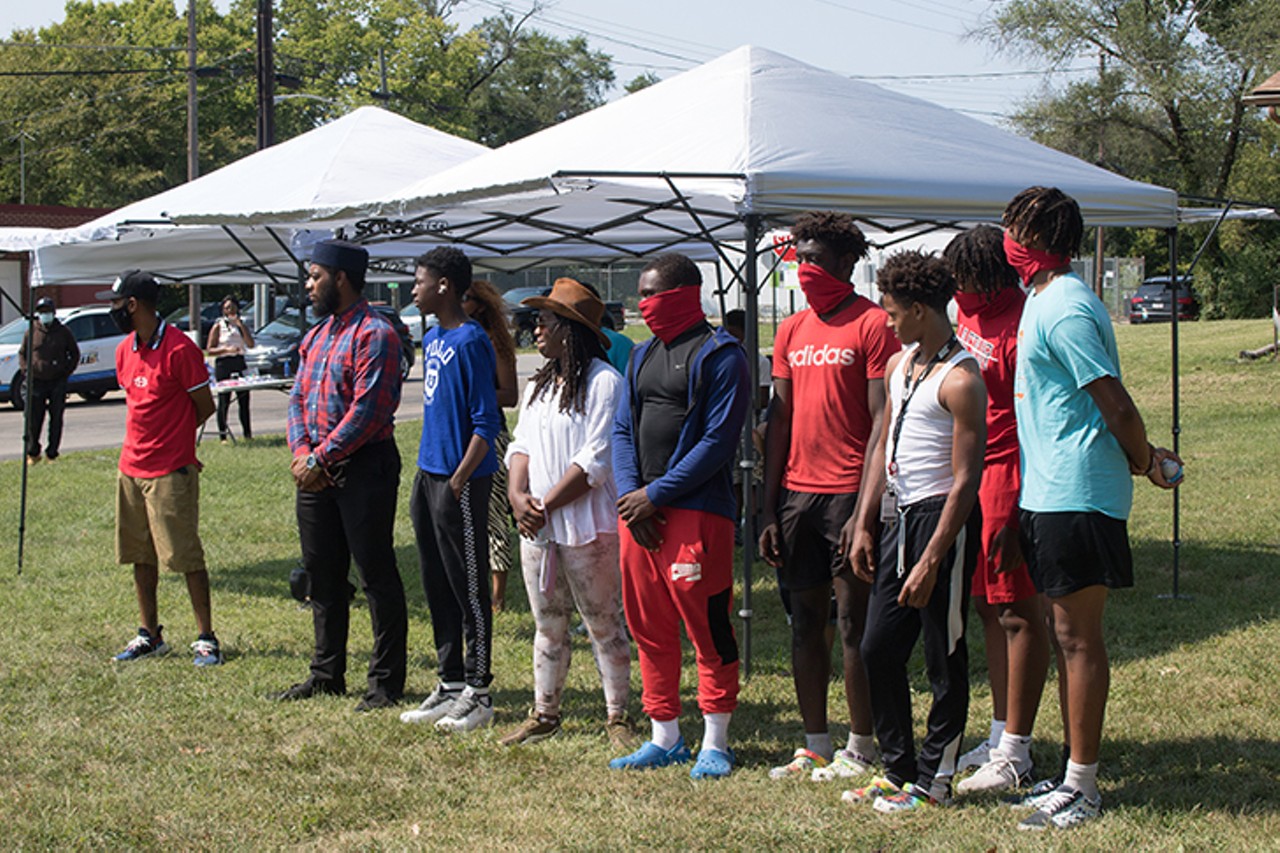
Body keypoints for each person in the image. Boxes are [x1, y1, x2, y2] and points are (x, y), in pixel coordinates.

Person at [1002, 186, 1181, 830]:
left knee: (1078, 640)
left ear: (1045, 241)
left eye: (1016, 228)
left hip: (1078, 493)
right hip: (1049, 493)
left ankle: (1083, 787)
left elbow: (1116, 405)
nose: (1008, 238)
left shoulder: (1068, 307)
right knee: (1062, 633)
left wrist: (1144, 460)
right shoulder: (1041, 299)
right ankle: (1071, 774)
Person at [756, 212, 899, 782]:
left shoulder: (871, 325)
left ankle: (860, 744)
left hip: (848, 496)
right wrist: (767, 507)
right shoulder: (791, 330)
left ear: (846, 264)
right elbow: (779, 419)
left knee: (853, 627)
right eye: (801, 258)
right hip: (796, 497)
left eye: (816, 259)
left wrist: (865, 510)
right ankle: (814, 742)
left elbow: (881, 422)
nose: (806, 268)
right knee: (803, 622)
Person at [844, 250, 986, 813]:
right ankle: (897, 768)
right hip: (897, 517)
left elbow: (966, 479)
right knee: (878, 648)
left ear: (922, 310)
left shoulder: (962, 379)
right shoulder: (900, 366)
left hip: (939, 521)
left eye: (895, 311)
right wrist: (863, 520)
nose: (888, 320)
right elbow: (882, 445)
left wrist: (932, 558)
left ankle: (935, 777)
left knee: (941, 653)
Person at [610, 253, 750, 779]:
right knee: (649, 627)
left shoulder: (722, 355)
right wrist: (632, 496)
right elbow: (622, 429)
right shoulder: (641, 355)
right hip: (640, 516)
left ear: (684, 295)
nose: (643, 305)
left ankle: (717, 741)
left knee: (708, 627)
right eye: (640, 295)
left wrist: (657, 495)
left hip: (696, 514)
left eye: (652, 295)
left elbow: (717, 440)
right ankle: (664, 735)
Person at [498, 278, 634, 748]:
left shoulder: (603, 383)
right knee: (548, 626)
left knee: (603, 623)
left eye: (546, 321)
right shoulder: (541, 385)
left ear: (571, 330)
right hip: (538, 528)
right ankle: (544, 713)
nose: (536, 329)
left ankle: (618, 716)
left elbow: (595, 460)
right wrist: (519, 497)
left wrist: (544, 504)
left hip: (586, 526)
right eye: (537, 320)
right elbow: (521, 445)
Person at [275, 239, 408, 713]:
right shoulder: (316, 336)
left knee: (376, 574)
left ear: (341, 278)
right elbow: (296, 400)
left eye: (315, 276)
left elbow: (370, 410)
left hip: (364, 468)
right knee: (322, 575)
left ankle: (385, 683)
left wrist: (319, 459)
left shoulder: (376, 334)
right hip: (316, 471)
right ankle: (326, 674)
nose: (309, 286)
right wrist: (301, 451)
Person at [943, 225, 1053, 796]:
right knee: (987, 608)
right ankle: (1000, 730)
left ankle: (1019, 750)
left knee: (1017, 611)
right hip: (970, 474)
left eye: (966, 278)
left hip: (1009, 474)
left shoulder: (1022, 319)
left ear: (989, 275)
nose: (958, 288)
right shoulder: (966, 316)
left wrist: (1013, 510)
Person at [399, 247, 504, 733]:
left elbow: (488, 420)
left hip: (460, 479)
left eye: (418, 281)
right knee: (436, 580)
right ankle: (450, 679)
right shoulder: (434, 335)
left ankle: (479, 691)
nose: (412, 289)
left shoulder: (471, 341)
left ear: (443, 285)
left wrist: (460, 477)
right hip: (429, 474)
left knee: (468, 584)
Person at [101, 270, 223, 667]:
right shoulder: (124, 350)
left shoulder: (179, 348)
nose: (114, 311)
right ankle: (149, 634)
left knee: (185, 555)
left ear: (133, 304)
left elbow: (205, 405)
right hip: (131, 467)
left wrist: (178, 442)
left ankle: (206, 638)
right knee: (141, 555)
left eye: (117, 304)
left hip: (171, 470)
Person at [461, 278, 519, 612]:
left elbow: (509, 395)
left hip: (490, 436)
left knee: (494, 515)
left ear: (480, 305)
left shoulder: (495, 342)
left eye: (465, 299)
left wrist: (469, 396)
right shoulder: (456, 338)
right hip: (459, 437)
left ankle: (497, 597)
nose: (459, 304)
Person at [19, 296, 79, 465]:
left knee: (56, 418)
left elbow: (74, 354)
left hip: (56, 382)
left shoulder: (63, 331)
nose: (45, 315)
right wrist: (26, 370)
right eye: (42, 312)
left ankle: (52, 453)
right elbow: (22, 353)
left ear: (53, 313)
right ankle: (33, 451)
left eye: (48, 312)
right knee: (33, 418)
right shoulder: (31, 331)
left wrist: (65, 372)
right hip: (36, 381)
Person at [206, 295, 255, 442]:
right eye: (227, 308)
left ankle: (247, 434)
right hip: (224, 363)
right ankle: (223, 436)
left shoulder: (241, 325)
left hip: (239, 362)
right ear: (223, 310)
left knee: (244, 400)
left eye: (233, 307)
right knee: (224, 401)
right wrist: (225, 349)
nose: (230, 310)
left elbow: (250, 344)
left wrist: (241, 326)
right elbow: (210, 349)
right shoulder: (218, 326)